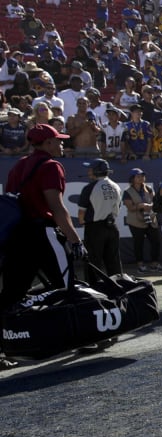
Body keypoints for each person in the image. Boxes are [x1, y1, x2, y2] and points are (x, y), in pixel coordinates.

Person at [0, 124, 83, 369]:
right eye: (58, 141)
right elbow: (56, 207)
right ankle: (79, 337)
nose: (62, 144)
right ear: (46, 143)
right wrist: (75, 240)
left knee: (11, 294)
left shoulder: (18, 166)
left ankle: (2, 349)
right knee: (66, 284)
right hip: (43, 233)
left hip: (17, 235)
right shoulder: (51, 166)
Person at [77, 158, 122, 283]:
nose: (88, 172)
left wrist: (83, 222)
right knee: (114, 262)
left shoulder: (90, 187)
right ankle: (118, 287)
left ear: (96, 171)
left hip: (95, 228)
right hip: (112, 227)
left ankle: (95, 290)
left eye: (90, 169)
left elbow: (82, 212)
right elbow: (118, 206)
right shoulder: (116, 186)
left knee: (93, 261)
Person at [121, 167, 162, 274]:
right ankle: (140, 265)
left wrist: (150, 206)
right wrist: (141, 206)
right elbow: (130, 207)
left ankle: (155, 264)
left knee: (155, 241)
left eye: (142, 176)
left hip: (151, 219)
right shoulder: (127, 192)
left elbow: (155, 202)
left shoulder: (148, 189)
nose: (141, 178)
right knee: (138, 243)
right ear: (132, 178)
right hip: (136, 221)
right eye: (138, 176)